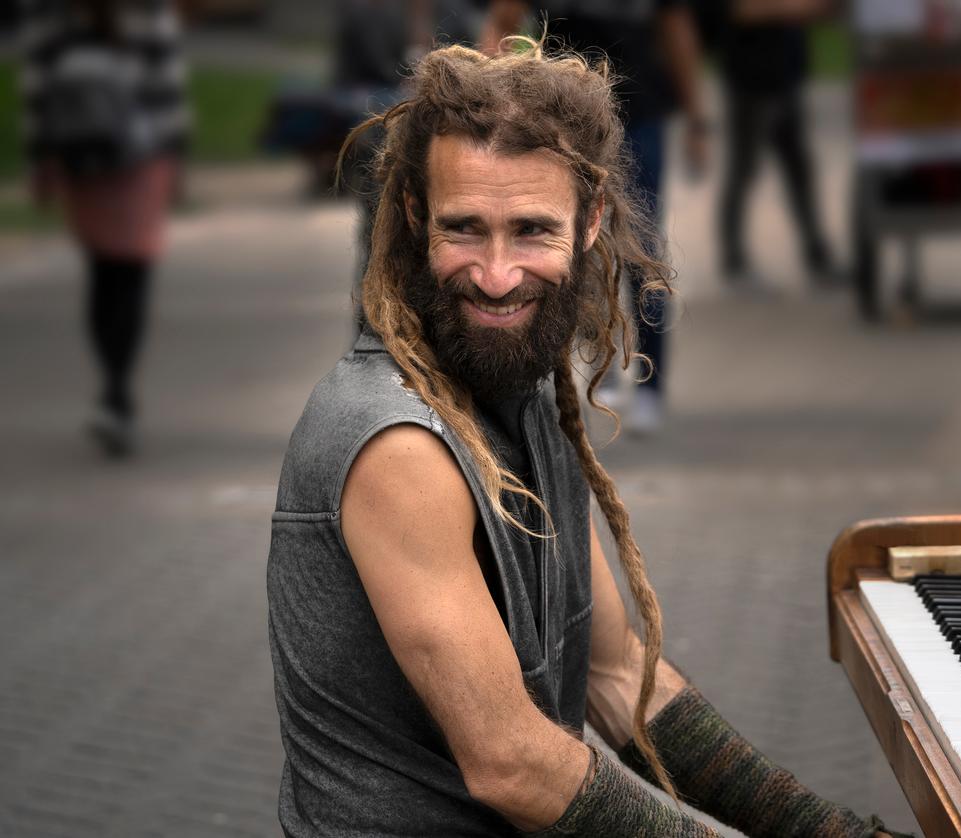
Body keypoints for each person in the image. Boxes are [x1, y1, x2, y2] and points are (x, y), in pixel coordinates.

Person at [267, 41, 902, 837]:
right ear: (414, 217)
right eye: (465, 229)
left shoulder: (519, 393)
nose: (497, 276)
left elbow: (616, 673)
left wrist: (825, 831)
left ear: (592, 218)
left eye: (532, 231)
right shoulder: (397, 444)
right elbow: (512, 761)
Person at [481, 0, 711, 434]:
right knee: (572, 245)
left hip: (639, 118)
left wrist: (697, 119)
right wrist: (487, 106)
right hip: (565, 119)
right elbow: (501, 26)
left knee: (642, 249)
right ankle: (596, 366)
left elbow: (677, 32)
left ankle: (650, 383)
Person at [19, 0, 188, 456]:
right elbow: (166, 79)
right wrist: (176, 156)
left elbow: (39, 83)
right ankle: (117, 390)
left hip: (83, 157)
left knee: (103, 272)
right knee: (131, 272)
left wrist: (41, 157)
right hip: (143, 153)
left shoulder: (51, 13)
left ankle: (113, 388)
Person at [716, 0, 837, 293]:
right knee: (744, 170)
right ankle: (735, 262)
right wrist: (801, 9)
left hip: (785, 76)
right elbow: (737, 12)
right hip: (753, 81)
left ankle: (818, 255)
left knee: (800, 169)